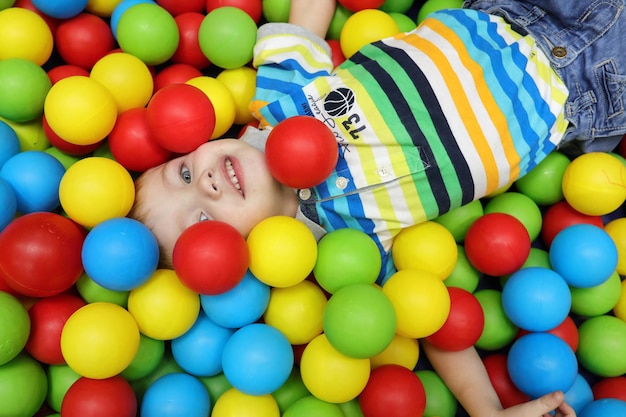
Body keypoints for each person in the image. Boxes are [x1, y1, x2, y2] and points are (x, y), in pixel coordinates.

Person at [130, 0, 626, 415]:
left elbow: (307, 21)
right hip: (588, 85)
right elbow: (426, 320)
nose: (208, 183)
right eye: (200, 220)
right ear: (231, 261)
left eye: (185, 174)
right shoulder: (346, 244)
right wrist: (486, 409)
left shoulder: (278, 101)